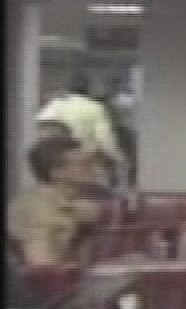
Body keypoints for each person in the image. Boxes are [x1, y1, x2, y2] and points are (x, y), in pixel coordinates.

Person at [8, 136, 107, 267]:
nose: (95, 168)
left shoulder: (74, 204)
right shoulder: (38, 208)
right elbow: (42, 266)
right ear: (56, 173)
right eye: (85, 164)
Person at [35, 75, 126, 187]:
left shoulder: (56, 104)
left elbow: (41, 125)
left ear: (69, 89)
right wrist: (116, 158)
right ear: (88, 90)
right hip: (85, 162)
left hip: (57, 162)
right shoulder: (95, 108)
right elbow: (105, 139)